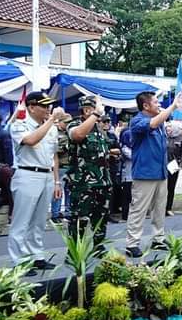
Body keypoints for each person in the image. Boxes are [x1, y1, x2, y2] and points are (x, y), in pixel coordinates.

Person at [8, 92, 63, 274]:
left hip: (46, 175)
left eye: (49, 106)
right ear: (31, 107)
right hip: (27, 174)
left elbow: (54, 156)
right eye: (44, 106)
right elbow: (31, 140)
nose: (48, 109)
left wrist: (56, 182)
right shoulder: (19, 125)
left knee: (39, 220)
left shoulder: (51, 128)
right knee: (22, 221)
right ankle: (19, 260)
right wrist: (51, 121)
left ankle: (36, 255)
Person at [125, 91, 182, 257]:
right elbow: (152, 123)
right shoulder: (137, 121)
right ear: (145, 106)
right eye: (156, 102)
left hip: (160, 173)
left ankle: (158, 239)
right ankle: (132, 244)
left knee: (159, 209)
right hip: (144, 174)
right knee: (139, 209)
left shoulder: (159, 123)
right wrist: (173, 107)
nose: (159, 104)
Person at [66, 96, 114, 250]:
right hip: (82, 183)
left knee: (101, 217)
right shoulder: (75, 124)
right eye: (86, 108)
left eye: (92, 108)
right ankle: (76, 251)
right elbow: (77, 135)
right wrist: (95, 116)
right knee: (79, 218)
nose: (89, 110)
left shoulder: (99, 129)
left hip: (102, 182)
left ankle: (98, 247)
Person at [51, 114, 72, 220]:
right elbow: (52, 150)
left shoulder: (69, 132)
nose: (68, 124)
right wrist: (64, 146)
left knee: (69, 190)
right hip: (60, 166)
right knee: (58, 190)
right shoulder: (54, 133)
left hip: (70, 165)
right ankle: (55, 213)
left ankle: (69, 212)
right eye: (66, 122)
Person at [165, 120, 182, 216]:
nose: (168, 128)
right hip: (163, 165)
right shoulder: (163, 137)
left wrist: (180, 164)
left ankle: (168, 207)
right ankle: (160, 208)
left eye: (170, 126)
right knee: (162, 188)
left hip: (174, 166)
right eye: (167, 126)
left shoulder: (180, 138)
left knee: (171, 187)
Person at [119, 122, 133, 223]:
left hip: (134, 175)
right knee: (126, 196)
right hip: (127, 175)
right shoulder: (124, 148)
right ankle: (125, 215)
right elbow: (133, 156)